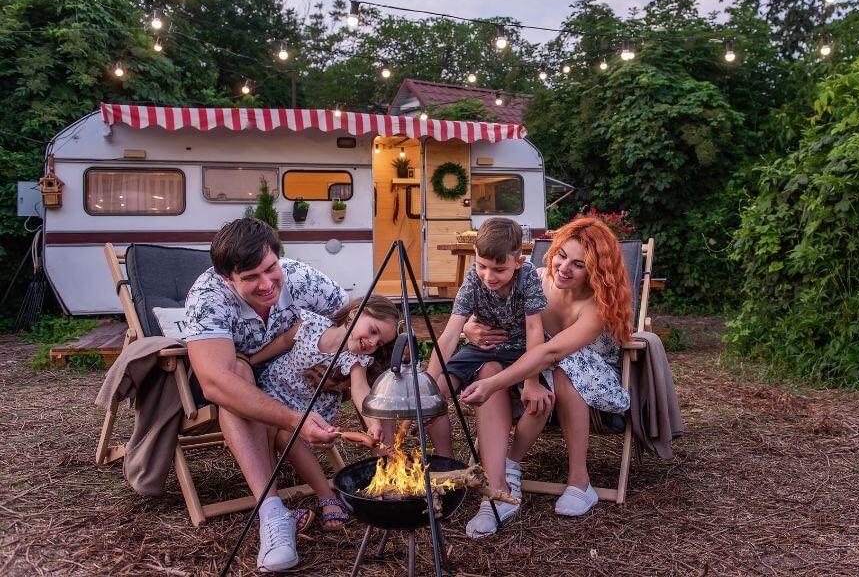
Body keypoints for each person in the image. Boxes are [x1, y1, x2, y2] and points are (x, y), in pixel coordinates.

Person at [183, 218, 347, 572]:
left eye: (270, 268)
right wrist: (294, 421)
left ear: (277, 257)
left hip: (290, 377)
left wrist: (337, 361)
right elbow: (215, 383)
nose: (267, 283)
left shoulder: (300, 277)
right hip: (238, 380)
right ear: (228, 279)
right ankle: (273, 516)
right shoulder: (207, 296)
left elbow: (354, 316)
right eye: (250, 278)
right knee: (239, 373)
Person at [461, 217, 633, 521]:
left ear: (596, 271)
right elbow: (490, 312)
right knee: (488, 367)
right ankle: (499, 484)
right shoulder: (534, 280)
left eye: (579, 264)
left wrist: (496, 385)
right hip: (532, 364)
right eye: (562, 256)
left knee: (562, 369)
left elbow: (552, 351)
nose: (564, 268)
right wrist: (470, 328)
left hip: (587, 377)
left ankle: (579, 482)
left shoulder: (597, 307)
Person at [423, 217, 552, 538]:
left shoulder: (527, 280)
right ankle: (446, 465)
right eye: (482, 266)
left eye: (498, 269)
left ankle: (500, 488)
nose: (488, 276)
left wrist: (533, 381)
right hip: (482, 350)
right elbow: (451, 332)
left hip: (520, 352)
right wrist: (424, 382)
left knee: (540, 403)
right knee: (432, 394)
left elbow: (535, 330)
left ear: (518, 261)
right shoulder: (473, 279)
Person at [250, 296, 399, 532]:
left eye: (379, 343)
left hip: (310, 411)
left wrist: (372, 421)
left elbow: (360, 390)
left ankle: (326, 496)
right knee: (271, 426)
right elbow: (281, 343)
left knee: (286, 437)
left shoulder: (356, 359)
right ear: (354, 313)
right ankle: (271, 502)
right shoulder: (310, 325)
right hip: (273, 391)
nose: (372, 342)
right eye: (373, 331)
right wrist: (250, 362)